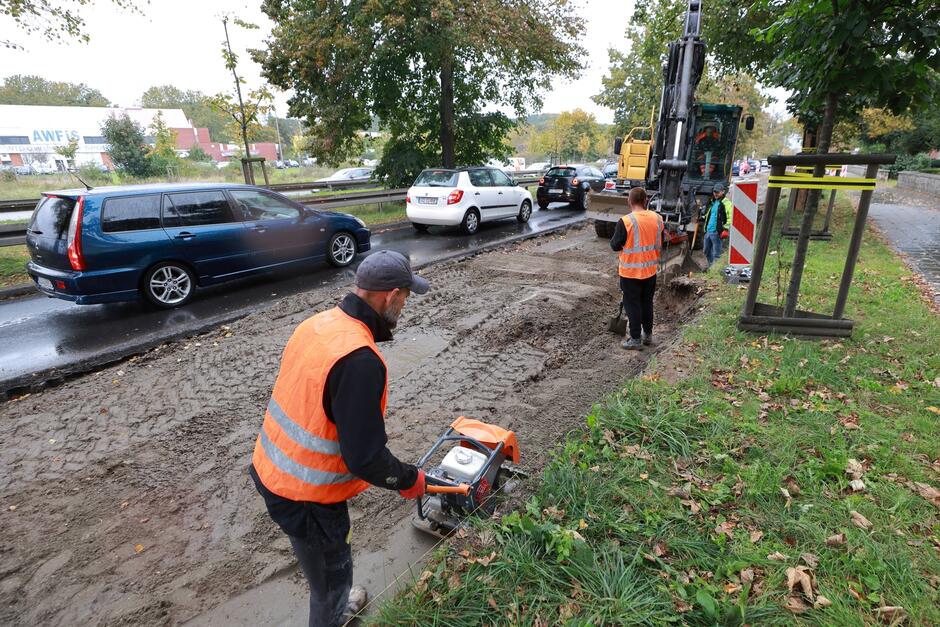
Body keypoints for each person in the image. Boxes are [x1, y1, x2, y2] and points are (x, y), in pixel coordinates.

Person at [249, 250, 430, 626]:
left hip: (273, 471)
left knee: (324, 567)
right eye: (406, 297)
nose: (405, 305)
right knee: (331, 582)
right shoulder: (359, 360)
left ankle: (338, 598)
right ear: (390, 295)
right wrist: (409, 479)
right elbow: (363, 457)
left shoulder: (319, 324)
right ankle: (335, 612)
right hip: (308, 496)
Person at [609, 187, 664, 350]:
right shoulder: (658, 218)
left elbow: (614, 245)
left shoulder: (626, 221)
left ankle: (635, 338)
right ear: (646, 200)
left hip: (630, 272)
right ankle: (648, 335)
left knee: (632, 304)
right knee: (647, 302)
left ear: (630, 201)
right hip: (650, 270)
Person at [703, 183, 732, 268]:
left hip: (717, 232)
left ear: (723, 192)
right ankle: (711, 266)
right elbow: (710, 215)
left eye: (717, 192)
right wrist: (703, 216)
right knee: (706, 251)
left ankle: (715, 270)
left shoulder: (726, 203)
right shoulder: (713, 202)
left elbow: (730, 216)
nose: (715, 194)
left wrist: (725, 229)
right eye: (714, 192)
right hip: (708, 231)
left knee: (717, 253)